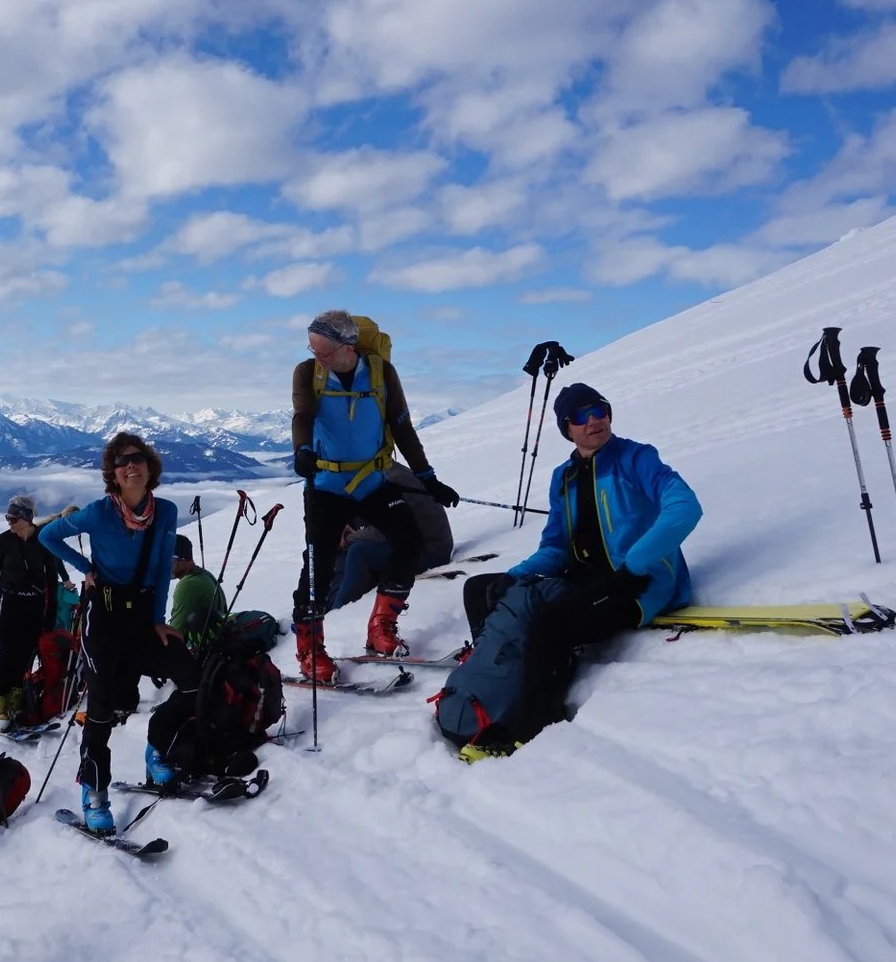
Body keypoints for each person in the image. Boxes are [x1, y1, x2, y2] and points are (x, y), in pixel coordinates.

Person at [460, 383, 701, 747]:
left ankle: (534, 723)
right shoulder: (564, 477)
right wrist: (515, 575)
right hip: (587, 580)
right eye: (581, 416)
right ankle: (495, 672)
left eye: (600, 410)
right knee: (480, 588)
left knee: (551, 622)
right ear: (566, 428)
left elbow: (685, 507)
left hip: (639, 584)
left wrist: (633, 567)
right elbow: (556, 546)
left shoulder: (637, 459)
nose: (594, 421)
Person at [38, 433, 200, 832]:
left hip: (143, 616)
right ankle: (95, 791)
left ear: (150, 467)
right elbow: (47, 535)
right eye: (123, 461)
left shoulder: (165, 512)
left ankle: (158, 749)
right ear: (113, 473)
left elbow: (163, 568)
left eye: (139, 458)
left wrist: (159, 619)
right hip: (103, 617)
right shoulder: (97, 513)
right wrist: (85, 568)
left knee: (193, 680)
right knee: (102, 705)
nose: (132, 465)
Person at [291, 310, 459, 676]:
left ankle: (381, 628)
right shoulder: (309, 372)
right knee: (317, 566)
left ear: (347, 346)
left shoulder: (382, 373)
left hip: (370, 479)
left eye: (323, 351)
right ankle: (310, 649)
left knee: (408, 539)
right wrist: (302, 449)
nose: (315, 356)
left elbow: (401, 425)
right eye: (312, 348)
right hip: (325, 484)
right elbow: (302, 414)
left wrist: (428, 478)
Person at [0, 495, 71, 727]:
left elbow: (51, 577)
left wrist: (50, 612)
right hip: (10, 605)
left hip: (34, 606)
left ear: (27, 518)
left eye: (13, 517)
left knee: (25, 655)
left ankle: (16, 697)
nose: (9, 521)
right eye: (7, 516)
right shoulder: (3, 541)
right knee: (8, 655)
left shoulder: (43, 540)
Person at [327, 463, 456, 613]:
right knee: (350, 538)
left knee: (358, 551)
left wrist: (349, 538)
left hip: (430, 551)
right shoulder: (385, 472)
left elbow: (382, 532)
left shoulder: (392, 480)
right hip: (418, 543)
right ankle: (333, 600)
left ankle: (338, 609)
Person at [166, 534, 227, 644]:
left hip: (200, 652)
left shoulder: (187, 585)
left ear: (182, 559)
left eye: (169, 560)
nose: (165, 565)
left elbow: (174, 633)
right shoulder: (205, 574)